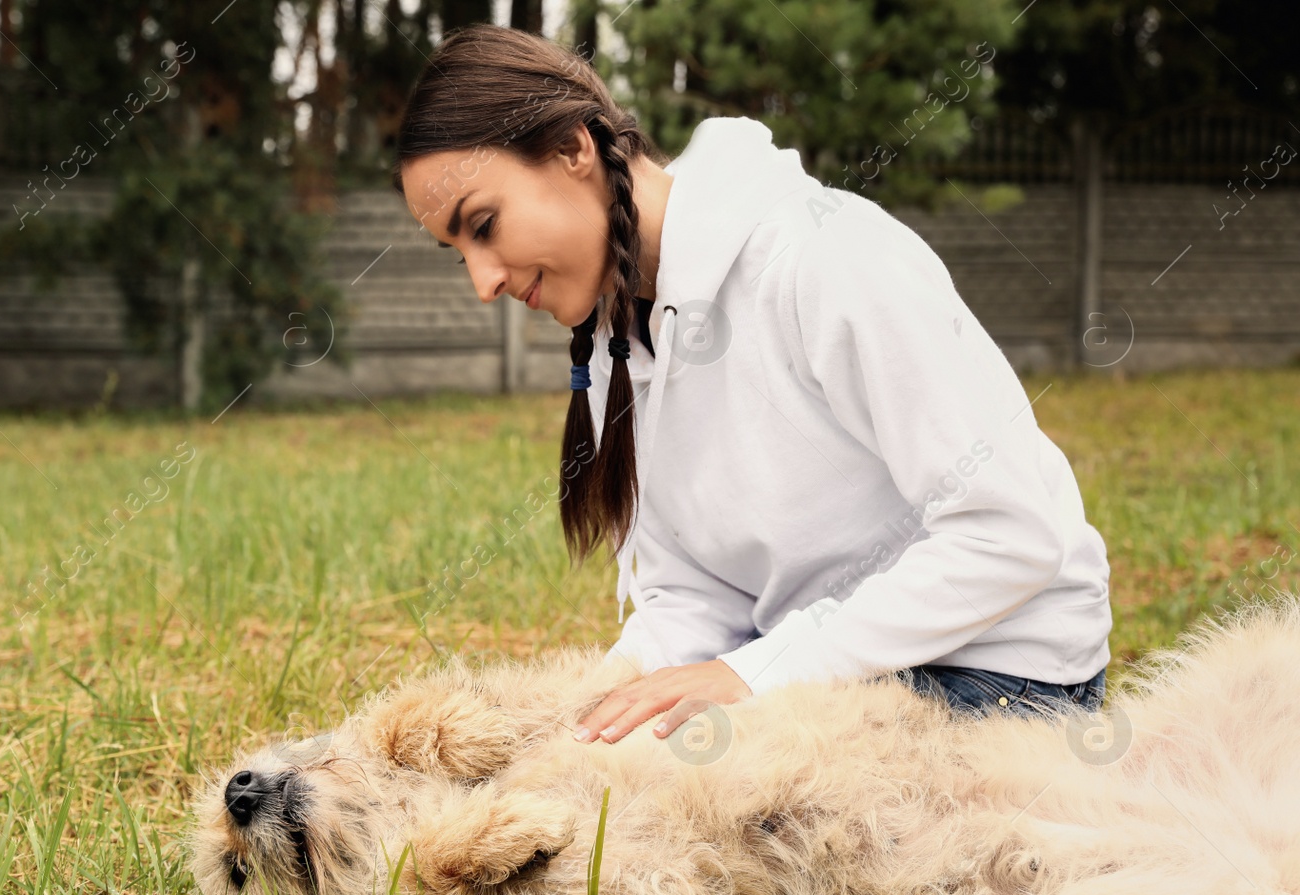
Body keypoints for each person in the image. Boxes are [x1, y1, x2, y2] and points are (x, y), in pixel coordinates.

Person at [393, 26, 1112, 744]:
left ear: (573, 149)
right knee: (583, 769)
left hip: (1001, 677)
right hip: (825, 677)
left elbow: (1011, 532)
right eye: (459, 256)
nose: (484, 282)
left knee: (661, 818)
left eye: (483, 225)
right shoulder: (617, 342)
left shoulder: (823, 258)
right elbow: (695, 593)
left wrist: (755, 673)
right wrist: (598, 710)